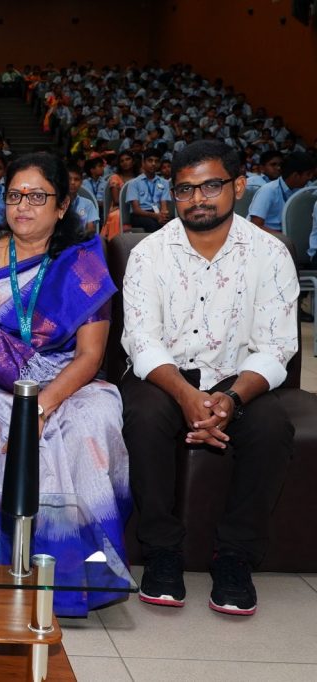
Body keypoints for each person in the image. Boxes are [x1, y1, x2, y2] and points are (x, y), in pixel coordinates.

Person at [0, 152, 130, 617]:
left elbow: (91, 356)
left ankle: (72, 574)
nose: (23, 205)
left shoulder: (83, 262)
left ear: (62, 205)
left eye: (37, 196)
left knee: (95, 418)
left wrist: (41, 405)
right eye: (14, 195)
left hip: (67, 381)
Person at [121, 141, 297, 617]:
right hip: (165, 378)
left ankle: (236, 557)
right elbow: (141, 340)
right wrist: (184, 394)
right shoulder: (149, 253)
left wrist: (232, 400)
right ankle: (161, 553)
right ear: (172, 194)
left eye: (211, 186)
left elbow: (278, 346)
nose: (198, 198)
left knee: (270, 427)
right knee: (143, 414)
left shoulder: (270, 254)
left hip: (238, 379)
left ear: (238, 186)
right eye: (185, 189)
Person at [247, 151, 316, 233]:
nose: (310, 178)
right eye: (308, 174)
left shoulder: (304, 190)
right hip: (267, 238)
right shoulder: (268, 190)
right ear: (295, 176)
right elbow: (255, 226)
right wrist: (283, 239)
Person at [127, 147, 171, 232]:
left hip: (157, 213)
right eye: (150, 161)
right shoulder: (134, 183)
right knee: (152, 224)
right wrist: (156, 216)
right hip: (140, 215)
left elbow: (164, 206)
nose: (153, 164)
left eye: (157, 161)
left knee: (172, 224)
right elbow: (136, 210)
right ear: (143, 163)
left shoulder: (164, 182)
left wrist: (163, 215)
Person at [101, 151, 137, 240]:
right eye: (122, 161)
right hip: (120, 208)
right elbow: (117, 200)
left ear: (133, 161)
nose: (125, 162)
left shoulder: (139, 178)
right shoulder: (115, 178)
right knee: (116, 216)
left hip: (139, 208)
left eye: (128, 159)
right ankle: (114, 244)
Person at [67, 163, 100, 233]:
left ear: (81, 182)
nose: (72, 182)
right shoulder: (56, 202)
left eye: (76, 179)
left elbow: (90, 229)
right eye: (69, 179)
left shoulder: (88, 204)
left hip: (81, 240)